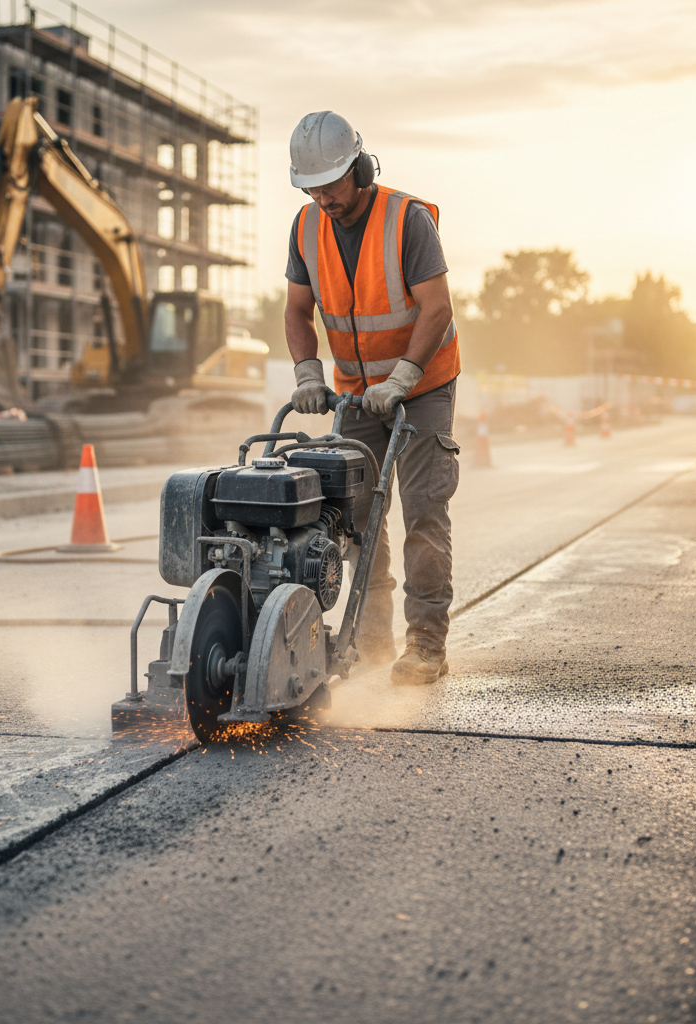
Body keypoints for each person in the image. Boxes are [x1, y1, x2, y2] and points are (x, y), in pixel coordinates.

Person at [284, 110, 460, 686]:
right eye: (313, 188)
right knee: (359, 523)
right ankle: (372, 641)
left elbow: (437, 308)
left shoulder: (407, 221)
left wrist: (404, 379)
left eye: (333, 184)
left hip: (422, 388)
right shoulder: (306, 226)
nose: (325, 198)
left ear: (359, 168)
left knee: (423, 511)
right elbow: (296, 310)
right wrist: (309, 372)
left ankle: (426, 645)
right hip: (357, 397)